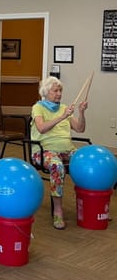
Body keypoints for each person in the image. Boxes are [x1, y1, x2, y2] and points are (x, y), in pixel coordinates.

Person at [31, 76, 88, 230]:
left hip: (66, 150)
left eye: (60, 90)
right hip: (44, 151)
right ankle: (58, 210)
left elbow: (80, 129)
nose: (59, 93)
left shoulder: (64, 108)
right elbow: (41, 128)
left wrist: (81, 113)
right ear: (45, 92)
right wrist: (62, 117)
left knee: (87, 162)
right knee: (57, 166)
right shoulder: (38, 107)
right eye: (55, 90)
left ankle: (91, 206)